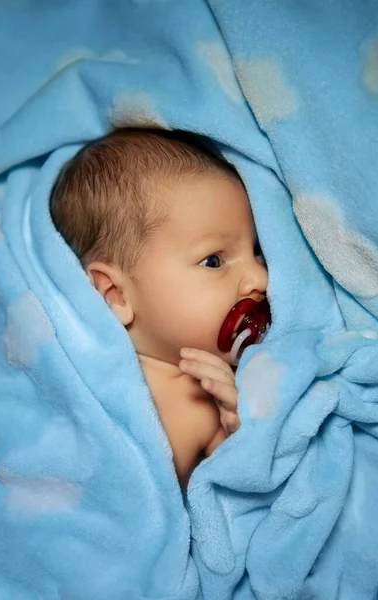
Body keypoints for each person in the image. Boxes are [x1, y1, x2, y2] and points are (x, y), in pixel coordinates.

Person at [50, 129, 268, 489]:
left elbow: (233, 491)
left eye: (256, 250)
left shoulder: (211, 401)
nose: (259, 277)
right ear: (115, 294)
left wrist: (238, 424)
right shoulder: (73, 362)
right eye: (213, 260)